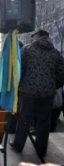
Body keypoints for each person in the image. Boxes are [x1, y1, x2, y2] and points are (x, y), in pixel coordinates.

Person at [10, 29, 64, 157]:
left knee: (24, 118)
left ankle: (18, 145)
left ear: (38, 36)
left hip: (28, 91)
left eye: (32, 36)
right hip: (48, 92)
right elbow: (61, 73)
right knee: (44, 121)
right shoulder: (56, 53)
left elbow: (20, 69)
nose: (31, 38)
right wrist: (53, 85)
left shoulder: (27, 50)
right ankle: (41, 149)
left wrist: (21, 84)